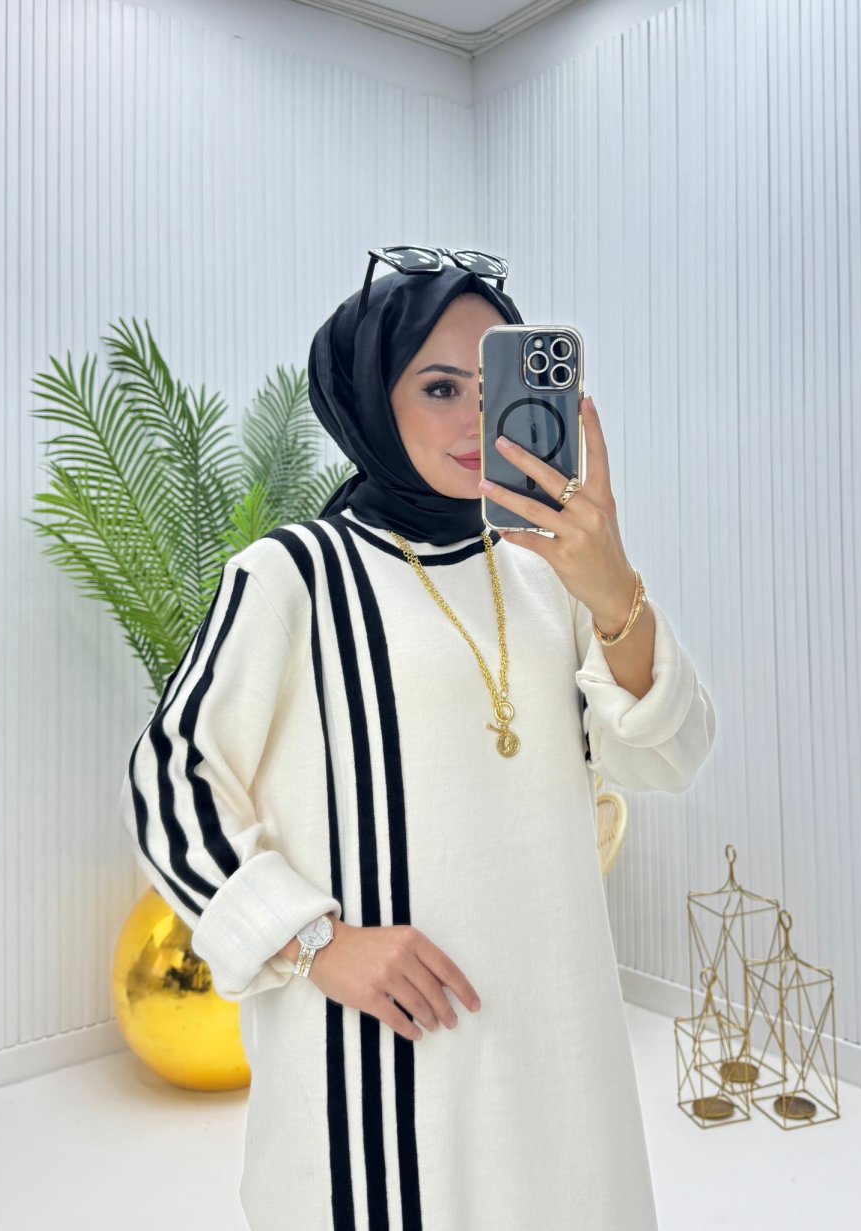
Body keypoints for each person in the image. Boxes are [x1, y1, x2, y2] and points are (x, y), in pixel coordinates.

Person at [119, 260, 717, 1231]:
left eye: (495, 386)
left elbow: (669, 755)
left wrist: (616, 592)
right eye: (440, 388)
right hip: (381, 1064)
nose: (475, 419)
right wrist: (312, 938)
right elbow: (172, 781)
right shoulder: (294, 576)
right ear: (369, 400)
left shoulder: (549, 577)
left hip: (558, 1045)